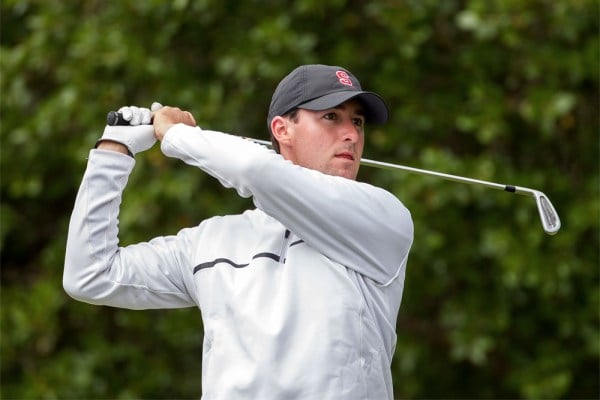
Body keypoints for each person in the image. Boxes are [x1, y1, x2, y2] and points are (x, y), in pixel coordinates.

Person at [63, 64, 414, 400]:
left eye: (357, 121)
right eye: (331, 117)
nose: (351, 134)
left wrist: (175, 134)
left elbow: (255, 168)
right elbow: (91, 274)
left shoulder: (382, 218)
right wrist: (113, 151)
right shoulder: (212, 240)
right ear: (282, 130)